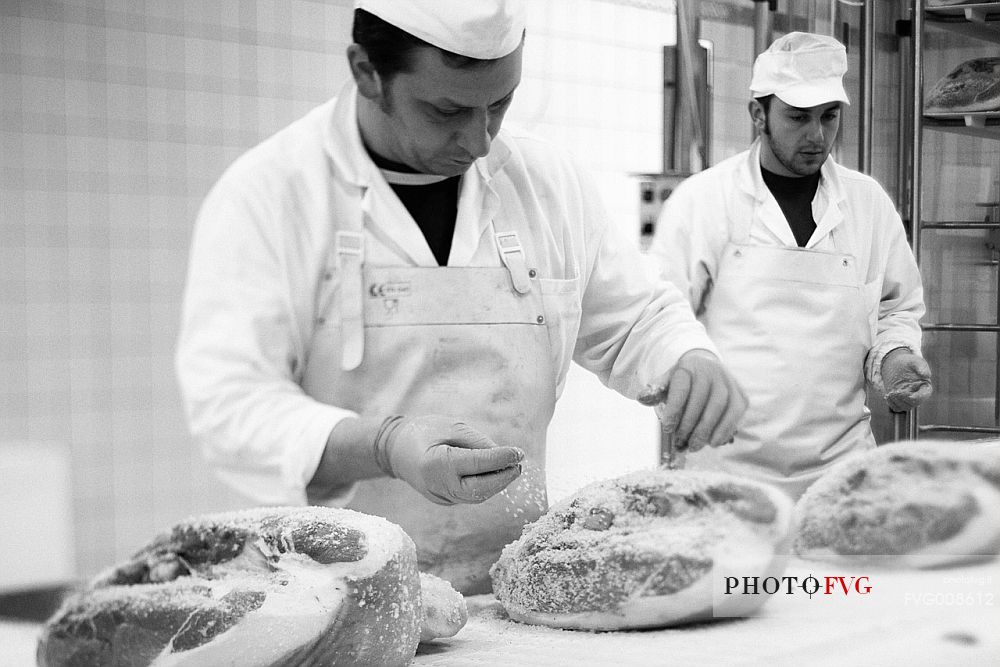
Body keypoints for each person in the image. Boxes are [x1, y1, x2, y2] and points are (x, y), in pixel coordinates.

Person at [175, 0, 747, 595]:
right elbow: (231, 405)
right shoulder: (273, 194)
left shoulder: (544, 180)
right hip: (334, 598)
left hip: (520, 594)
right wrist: (385, 444)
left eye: (499, 104)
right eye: (446, 110)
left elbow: (634, 318)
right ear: (366, 71)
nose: (478, 141)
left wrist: (686, 358)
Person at [648, 32, 933, 500]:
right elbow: (662, 318)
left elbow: (896, 309)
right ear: (758, 114)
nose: (817, 136)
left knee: (838, 580)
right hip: (724, 475)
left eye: (829, 116)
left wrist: (895, 354)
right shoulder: (705, 201)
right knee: (744, 581)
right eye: (798, 117)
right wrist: (676, 379)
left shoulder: (867, 204)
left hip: (842, 477)